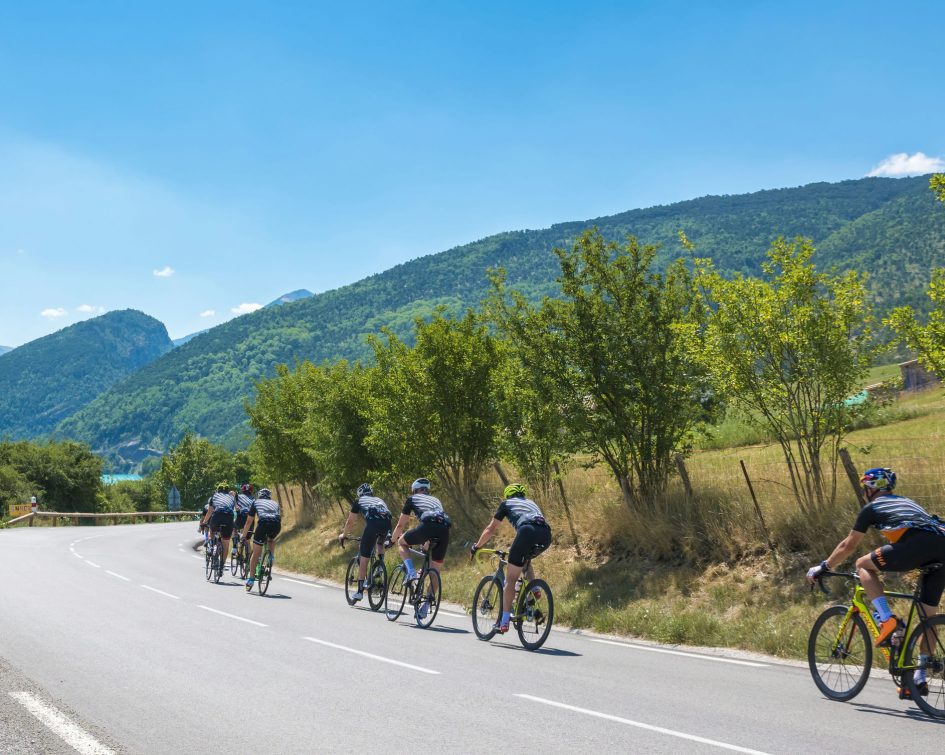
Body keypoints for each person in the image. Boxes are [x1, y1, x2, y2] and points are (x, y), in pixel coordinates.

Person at [807, 467, 945, 695]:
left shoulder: (872, 508)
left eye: (864, 489)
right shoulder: (906, 502)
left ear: (871, 490)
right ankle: (918, 678)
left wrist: (823, 567)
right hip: (942, 545)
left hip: (918, 544)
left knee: (862, 564)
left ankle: (886, 619)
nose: (863, 493)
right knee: (927, 617)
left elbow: (848, 546)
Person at [470, 483, 552, 634]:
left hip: (527, 532)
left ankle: (504, 621)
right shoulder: (531, 503)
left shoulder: (506, 504)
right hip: (546, 534)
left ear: (508, 495)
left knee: (510, 579)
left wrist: (477, 546)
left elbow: (490, 529)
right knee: (525, 560)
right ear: (523, 495)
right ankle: (534, 589)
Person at [389, 478, 451, 618]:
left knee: (402, 543)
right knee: (435, 570)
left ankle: (411, 572)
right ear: (427, 490)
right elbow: (438, 519)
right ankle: (425, 607)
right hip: (444, 531)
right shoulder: (436, 500)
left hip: (427, 527)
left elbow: (400, 525)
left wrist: (392, 540)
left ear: (415, 490)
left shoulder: (412, 499)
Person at [338, 483, 392, 602]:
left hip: (372, 525)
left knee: (364, 558)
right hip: (387, 525)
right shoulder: (379, 500)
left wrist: (344, 535)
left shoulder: (359, 501)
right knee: (379, 543)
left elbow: (350, 522)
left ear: (360, 494)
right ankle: (380, 565)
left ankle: (360, 592)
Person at [241, 488, 282, 590]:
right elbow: (278, 516)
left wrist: (243, 535)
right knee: (271, 539)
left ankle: (251, 580)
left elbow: (249, 521)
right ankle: (270, 558)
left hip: (263, 524)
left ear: (259, 495)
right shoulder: (275, 503)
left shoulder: (256, 502)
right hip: (276, 525)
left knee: (256, 554)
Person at [200, 483, 235, 577]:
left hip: (217, 516)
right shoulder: (231, 498)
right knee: (226, 543)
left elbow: (210, 511)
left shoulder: (214, 496)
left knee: (212, 531)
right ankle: (221, 567)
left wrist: (204, 522)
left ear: (218, 490)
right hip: (229, 518)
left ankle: (211, 547)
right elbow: (233, 510)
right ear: (227, 491)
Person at [233, 483, 255, 558]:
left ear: (242, 490)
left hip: (241, 518)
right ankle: (248, 559)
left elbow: (232, 493)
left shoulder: (239, 496)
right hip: (251, 520)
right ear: (251, 491)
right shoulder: (254, 499)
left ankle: (235, 546)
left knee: (234, 527)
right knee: (248, 541)